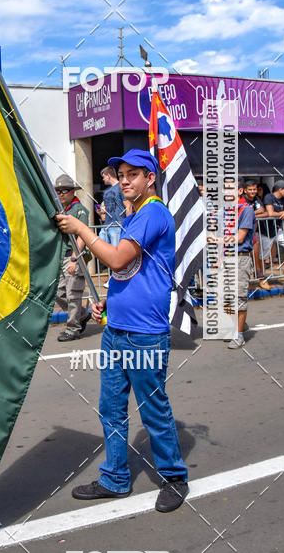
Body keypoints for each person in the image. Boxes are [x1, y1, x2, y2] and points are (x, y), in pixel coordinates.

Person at [56, 149, 189, 513]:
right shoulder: (131, 216)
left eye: (134, 173)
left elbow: (116, 258)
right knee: (111, 408)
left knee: (153, 410)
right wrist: (109, 303)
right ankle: (115, 478)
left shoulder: (154, 213)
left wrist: (81, 228)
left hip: (145, 335)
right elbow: (126, 273)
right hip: (116, 329)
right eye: (122, 173)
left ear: (150, 178)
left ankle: (174, 477)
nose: (126, 179)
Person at [54, 174, 90, 342]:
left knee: (73, 294)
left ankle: (73, 328)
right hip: (61, 256)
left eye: (65, 190)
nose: (61, 194)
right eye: (58, 191)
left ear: (73, 192)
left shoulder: (79, 210)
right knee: (59, 292)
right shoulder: (59, 210)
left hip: (74, 255)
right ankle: (82, 315)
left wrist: (75, 259)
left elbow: (82, 235)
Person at [227, 180, 256, 349]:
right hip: (226, 256)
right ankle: (238, 326)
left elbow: (239, 238)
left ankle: (239, 335)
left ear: (239, 191)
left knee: (239, 296)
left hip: (240, 257)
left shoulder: (246, 210)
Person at [263, 180, 284, 274]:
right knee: (263, 255)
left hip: (276, 229)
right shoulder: (269, 197)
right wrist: (282, 213)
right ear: (280, 189)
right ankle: (259, 276)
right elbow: (270, 213)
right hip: (265, 230)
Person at [100, 166, 130, 246]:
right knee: (101, 251)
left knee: (116, 253)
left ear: (109, 175)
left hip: (118, 225)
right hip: (106, 225)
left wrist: (128, 225)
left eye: (104, 177)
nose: (103, 179)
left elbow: (128, 205)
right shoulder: (107, 191)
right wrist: (103, 210)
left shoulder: (121, 187)